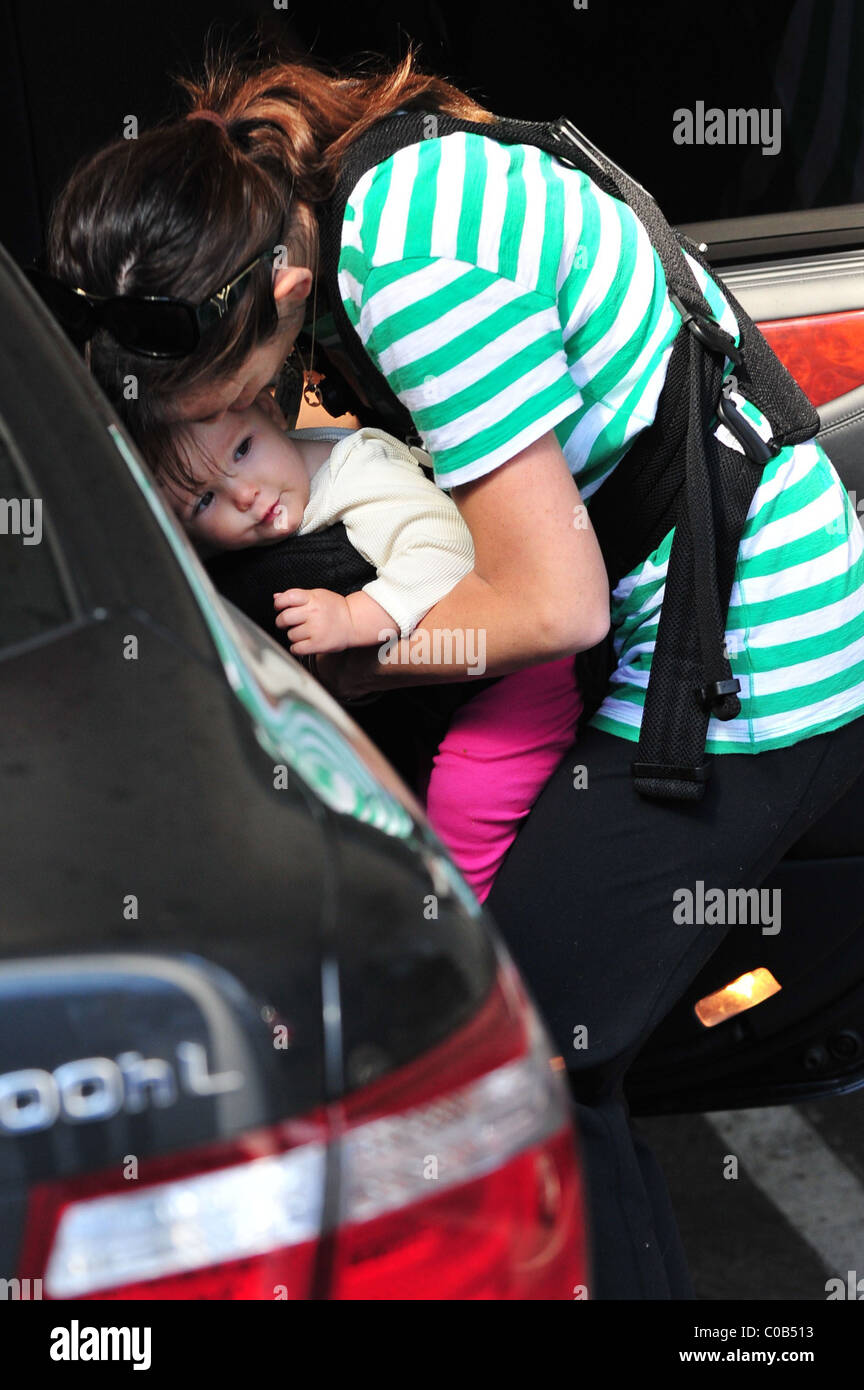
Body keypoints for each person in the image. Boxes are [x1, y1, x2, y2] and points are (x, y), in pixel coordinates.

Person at [43, 46, 864, 1298]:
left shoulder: (410, 264)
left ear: (287, 290)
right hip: (729, 601)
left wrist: (354, 679)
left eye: (217, 400)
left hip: (753, 650)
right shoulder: (383, 184)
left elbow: (551, 602)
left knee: (520, 1041)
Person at [152, 397, 582, 904]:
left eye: (243, 450)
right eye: (204, 501)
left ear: (272, 409)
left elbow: (449, 551)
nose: (244, 494)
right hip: (459, 676)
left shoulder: (362, 476)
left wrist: (355, 616)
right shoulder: (295, 475)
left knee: (461, 805)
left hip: (521, 672)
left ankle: (464, 924)